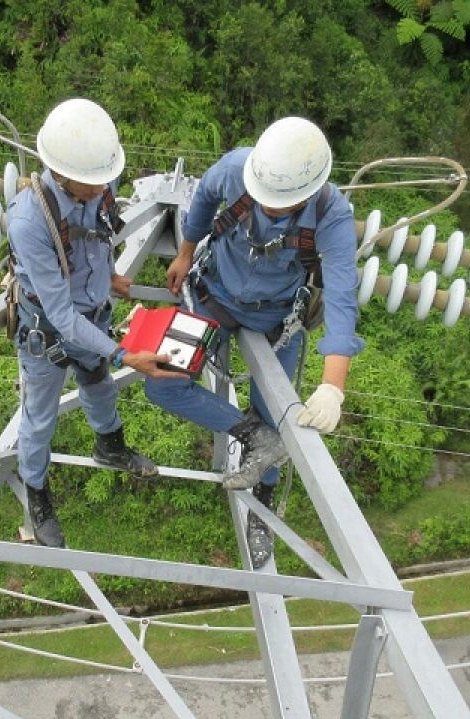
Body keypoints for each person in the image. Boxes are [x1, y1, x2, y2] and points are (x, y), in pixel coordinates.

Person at [145, 116, 363, 567]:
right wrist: (186, 253)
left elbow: (342, 299)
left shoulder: (332, 215)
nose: (270, 211)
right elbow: (204, 197)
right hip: (212, 298)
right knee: (162, 382)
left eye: (282, 207)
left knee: (283, 419)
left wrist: (333, 385)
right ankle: (254, 435)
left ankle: (261, 507)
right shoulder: (239, 169)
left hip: (275, 319)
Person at [6, 98, 177, 548]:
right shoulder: (30, 220)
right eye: (95, 181)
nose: (105, 186)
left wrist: (110, 275)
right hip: (49, 330)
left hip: (95, 315)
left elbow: (98, 236)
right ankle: (36, 492)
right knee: (39, 420)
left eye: (107, 178)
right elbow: (60, 314)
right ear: (62, 173)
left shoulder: (98, 181)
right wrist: (123, 354)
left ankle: (110, 448)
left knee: (99, 387)